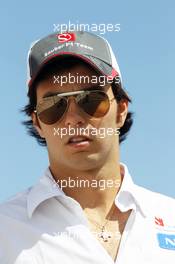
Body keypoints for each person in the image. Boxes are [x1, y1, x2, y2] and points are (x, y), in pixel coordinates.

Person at [0, 31, 175, 264]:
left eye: (90, 99)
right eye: (54, 105)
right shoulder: (5, 231)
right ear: (37, 122)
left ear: (121, 110)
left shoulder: (169, 216)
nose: (73, 118)